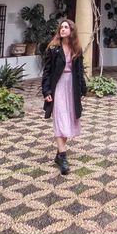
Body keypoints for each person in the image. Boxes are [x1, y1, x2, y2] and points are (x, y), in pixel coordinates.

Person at [41, 18, 87, 175]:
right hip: (58, 87)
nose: (63, 29)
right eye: (61, 27)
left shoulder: (76, 49)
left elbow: (80, 71)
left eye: (66, 27)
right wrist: (46, 91)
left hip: (72, 87)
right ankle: (63, 157)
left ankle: (59, 154)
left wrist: (82, 89)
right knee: (60, 119)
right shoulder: (53, 48)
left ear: (71, 30)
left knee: (69, 119)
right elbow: (47, 71)